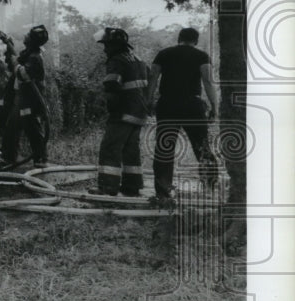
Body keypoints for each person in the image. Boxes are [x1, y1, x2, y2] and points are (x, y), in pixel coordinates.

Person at [147, 27, 219, 200]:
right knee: (201, 145)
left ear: (179, 38)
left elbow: (153, 78)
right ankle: (209, 188)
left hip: (167, 104)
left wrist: (148, 101)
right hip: (192, 105)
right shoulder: (201, 56)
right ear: (195, 40)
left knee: (165, 147)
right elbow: (208, 82)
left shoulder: (163, 54)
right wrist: (214, 106)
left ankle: (163, 192)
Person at [94, 27, 150, 196]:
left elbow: (112, 86)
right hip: (139, 113)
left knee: (110, 147)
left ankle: (107, 187)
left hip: (123, 113)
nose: (105, 49)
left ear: (114, 46)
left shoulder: (116, 60)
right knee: (131, 151)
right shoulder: (138, 59)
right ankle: (132, 187)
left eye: (107, 45)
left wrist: (111, 111)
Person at [1, 24, 50, 168]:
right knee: (13, 126)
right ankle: (9, 158)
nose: (25, 36)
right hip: (23, 97)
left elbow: (23, 74)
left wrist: (15, 62)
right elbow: (15, 64)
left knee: (31, 126)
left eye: (28, 35)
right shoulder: (29, 53)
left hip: (30, 99)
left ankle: (40, 159)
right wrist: (9, 50)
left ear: (32, 40)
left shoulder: (35, 57)